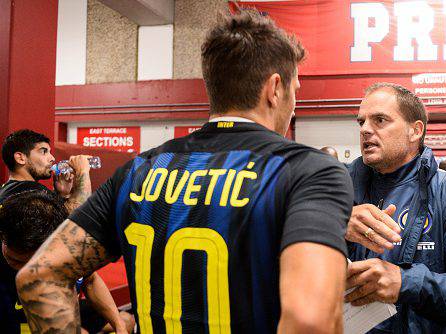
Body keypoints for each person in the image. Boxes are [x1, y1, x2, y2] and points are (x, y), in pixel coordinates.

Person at [16, 10, 353, 333]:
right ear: (274, 88)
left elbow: (39, 275)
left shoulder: (138, 171)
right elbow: (310, 321)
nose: (294, 104)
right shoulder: (309, 171)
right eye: (295, 90)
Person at [345, 82, 446, 333]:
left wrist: (406, 283)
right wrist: (333, 223)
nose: (365, 130)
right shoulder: (337, 186)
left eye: (380, 120)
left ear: (415, 131)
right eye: (361, 122)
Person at [0, 190, 134, 334]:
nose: (27, 270)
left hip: (64, 315)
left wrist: (118, 324)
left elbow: (90, 281)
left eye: (33, 262)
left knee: (126, 321)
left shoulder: (66, 250)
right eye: (16, 261)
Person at [0, 129, 92, 212]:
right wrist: (82, 172)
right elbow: (75, 218)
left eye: (49, 152)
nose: (52, 158)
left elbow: (54, 221)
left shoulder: (6, 189)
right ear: (20, 158)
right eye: (44, 151)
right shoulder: (31, 193)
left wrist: (61, 194)